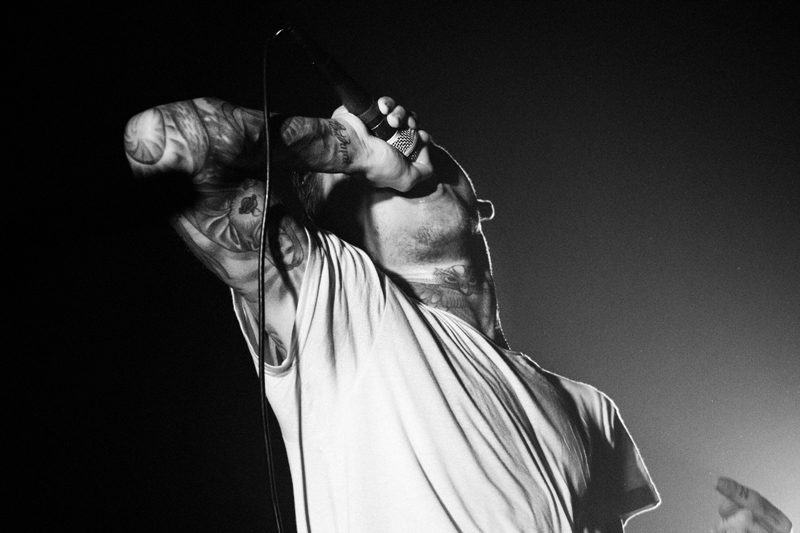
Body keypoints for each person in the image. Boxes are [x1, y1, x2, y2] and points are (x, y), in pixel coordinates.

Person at [124, 97, 792, 533]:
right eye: (366, 178)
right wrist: (348, 147)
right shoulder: (343, 310)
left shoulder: (590, 410)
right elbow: (158, 141)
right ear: (343, 227)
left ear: (478, 207)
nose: (403, 149)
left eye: (420, 149)